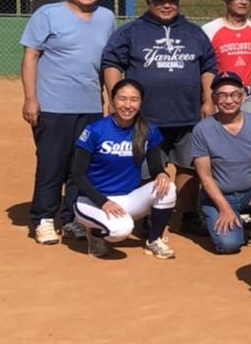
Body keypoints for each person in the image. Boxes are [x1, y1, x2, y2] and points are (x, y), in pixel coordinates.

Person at [100, 0, 216, 227]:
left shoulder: (194, 33)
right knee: (145, 170)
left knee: (188, 166)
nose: (167, 5)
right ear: (149, 2)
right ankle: (147, 216)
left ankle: (188, 215)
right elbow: (111, 63)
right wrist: (115, 97)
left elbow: (208, 65)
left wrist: (208, 99)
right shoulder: (131, 31)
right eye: (160, 1)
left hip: (187, 114)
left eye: (172, 0)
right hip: (146, 117)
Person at [21, 0, 116, 244]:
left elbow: (110, 62)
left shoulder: (107, 17)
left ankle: (73, 218)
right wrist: (30, 99)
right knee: (52, 164)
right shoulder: (47, 14)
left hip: (90, 107)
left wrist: (111, 99)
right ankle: (44, 219)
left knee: (81, 166)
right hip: (53, 106)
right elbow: (31, 57)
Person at [70, 78, 178, 259]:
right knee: (121, 230)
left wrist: (161, 173)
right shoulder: (95, 130)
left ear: (141, 103)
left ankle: (154, 240)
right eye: (122, 99)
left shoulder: (147, 129)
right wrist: (103, 202)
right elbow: (77, 174)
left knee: (169, 188)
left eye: (134, 100)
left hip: (127, 199)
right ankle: (95, 233)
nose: (128, 105)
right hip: (92, 201)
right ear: (113, 101)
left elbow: (155, 165)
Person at [190, 72, 251, 254]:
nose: (229, 101)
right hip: (219, 196)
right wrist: (224, 207)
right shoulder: (202, 130)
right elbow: (205, 177)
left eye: (234, 94)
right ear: (213, 98)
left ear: (243, 96)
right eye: (222, 95)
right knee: (229, 245)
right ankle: (224, 218)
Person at [202, 0, 251, 115]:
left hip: (249, 96)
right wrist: (208, 100)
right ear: (226, 0)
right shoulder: (210, 29)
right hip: (220, 96)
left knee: (250, 135)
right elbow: (204, 67)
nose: (244, 2)